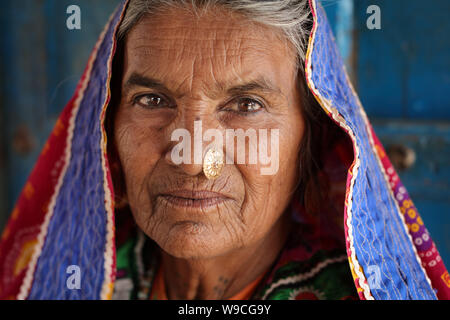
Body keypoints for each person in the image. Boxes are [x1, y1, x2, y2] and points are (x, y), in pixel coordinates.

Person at [0, 0, 448, 300]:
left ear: (313, 134)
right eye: (152, 100)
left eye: (245, 106)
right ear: (105, 125)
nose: (193, 158)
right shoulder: (66, 278)